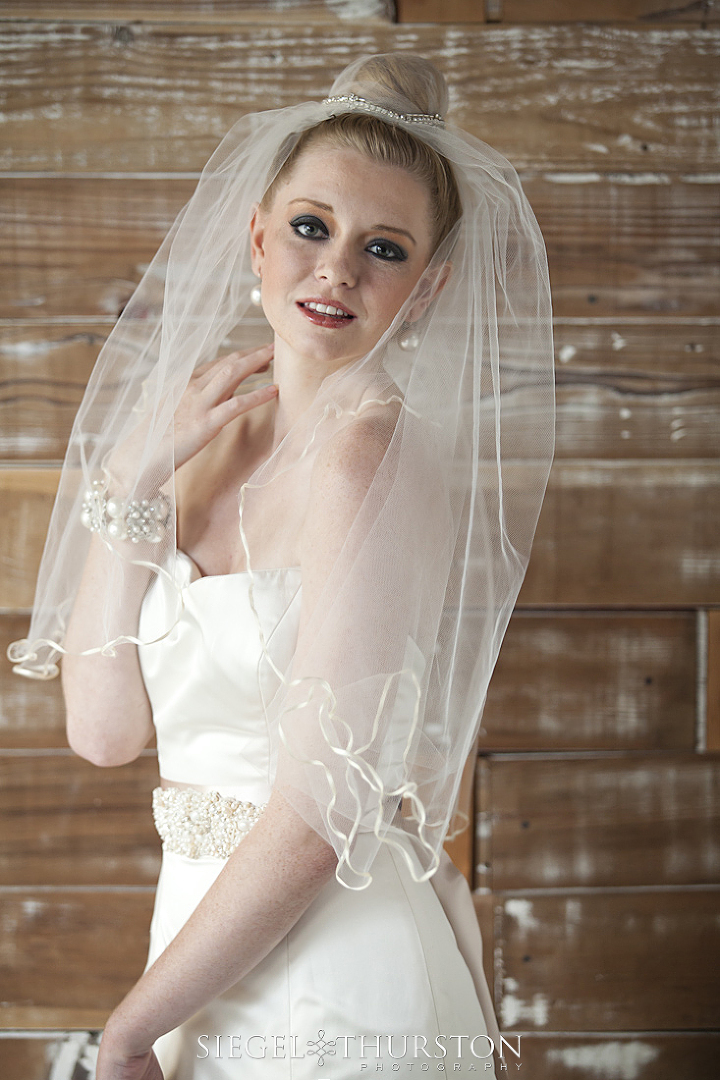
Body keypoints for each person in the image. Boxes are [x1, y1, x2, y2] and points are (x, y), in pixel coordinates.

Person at [8, 54, 555, 1079]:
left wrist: (122, 1033)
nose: (337, 269)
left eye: (382, 248)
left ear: (428, 288)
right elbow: (104, 730)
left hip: (332, 982)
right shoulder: (205, 448)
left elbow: (314, 820)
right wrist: (134, 475)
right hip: (199, 952)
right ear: (258, 238)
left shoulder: (370, 457)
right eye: (312, 226)